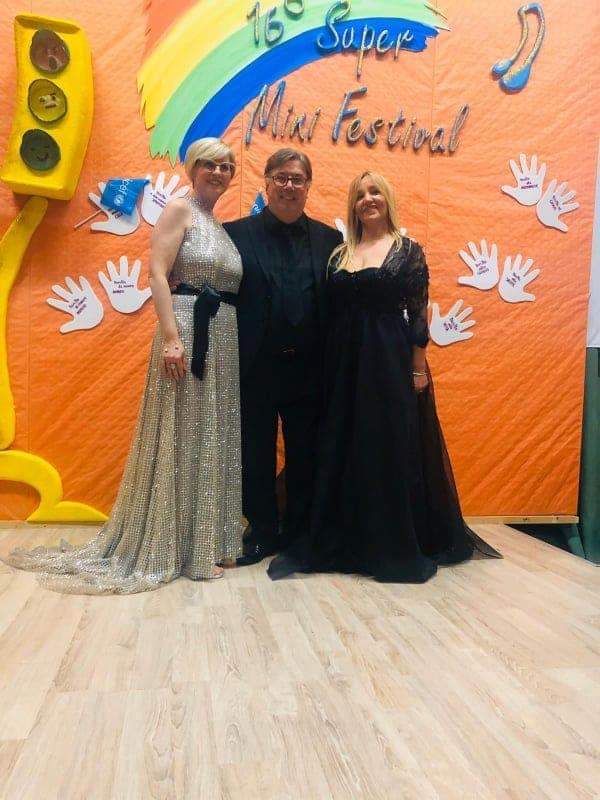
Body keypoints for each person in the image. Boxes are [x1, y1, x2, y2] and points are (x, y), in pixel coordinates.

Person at [3, 137, 244, 593]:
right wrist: (171, 338)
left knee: (211, 433)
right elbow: (157, 273)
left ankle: (206, 543)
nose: (218, 172)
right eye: (210, 164)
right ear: (193, 168)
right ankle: (173, 549)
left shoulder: (218, 223)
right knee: (181, 432)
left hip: (222, 339)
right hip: (187, 330)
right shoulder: (179, 210)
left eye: (226, 166)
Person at [268, 172, 500, 583]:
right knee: (342, 442)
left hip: (388, 361)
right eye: (360, 195)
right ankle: (346, 537)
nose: (368, 199)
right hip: (341, 364)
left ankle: (389, 542)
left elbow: (419, 313)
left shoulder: (407, 251)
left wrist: (418, 367)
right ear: (353, 205)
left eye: (375, 192)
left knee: (386, 442)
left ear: (387, 199)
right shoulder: (340, 253)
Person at [224, 149, 343, 565]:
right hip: (255, 364)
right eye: (281, 177)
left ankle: (299, 532)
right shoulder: (234, 234)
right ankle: (261, 532)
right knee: (254, 452)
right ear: (267, 182)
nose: (289, 186)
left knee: (306, 454)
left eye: (297, 179)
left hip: (311, 367)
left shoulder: (332, 241)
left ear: (308, 185)